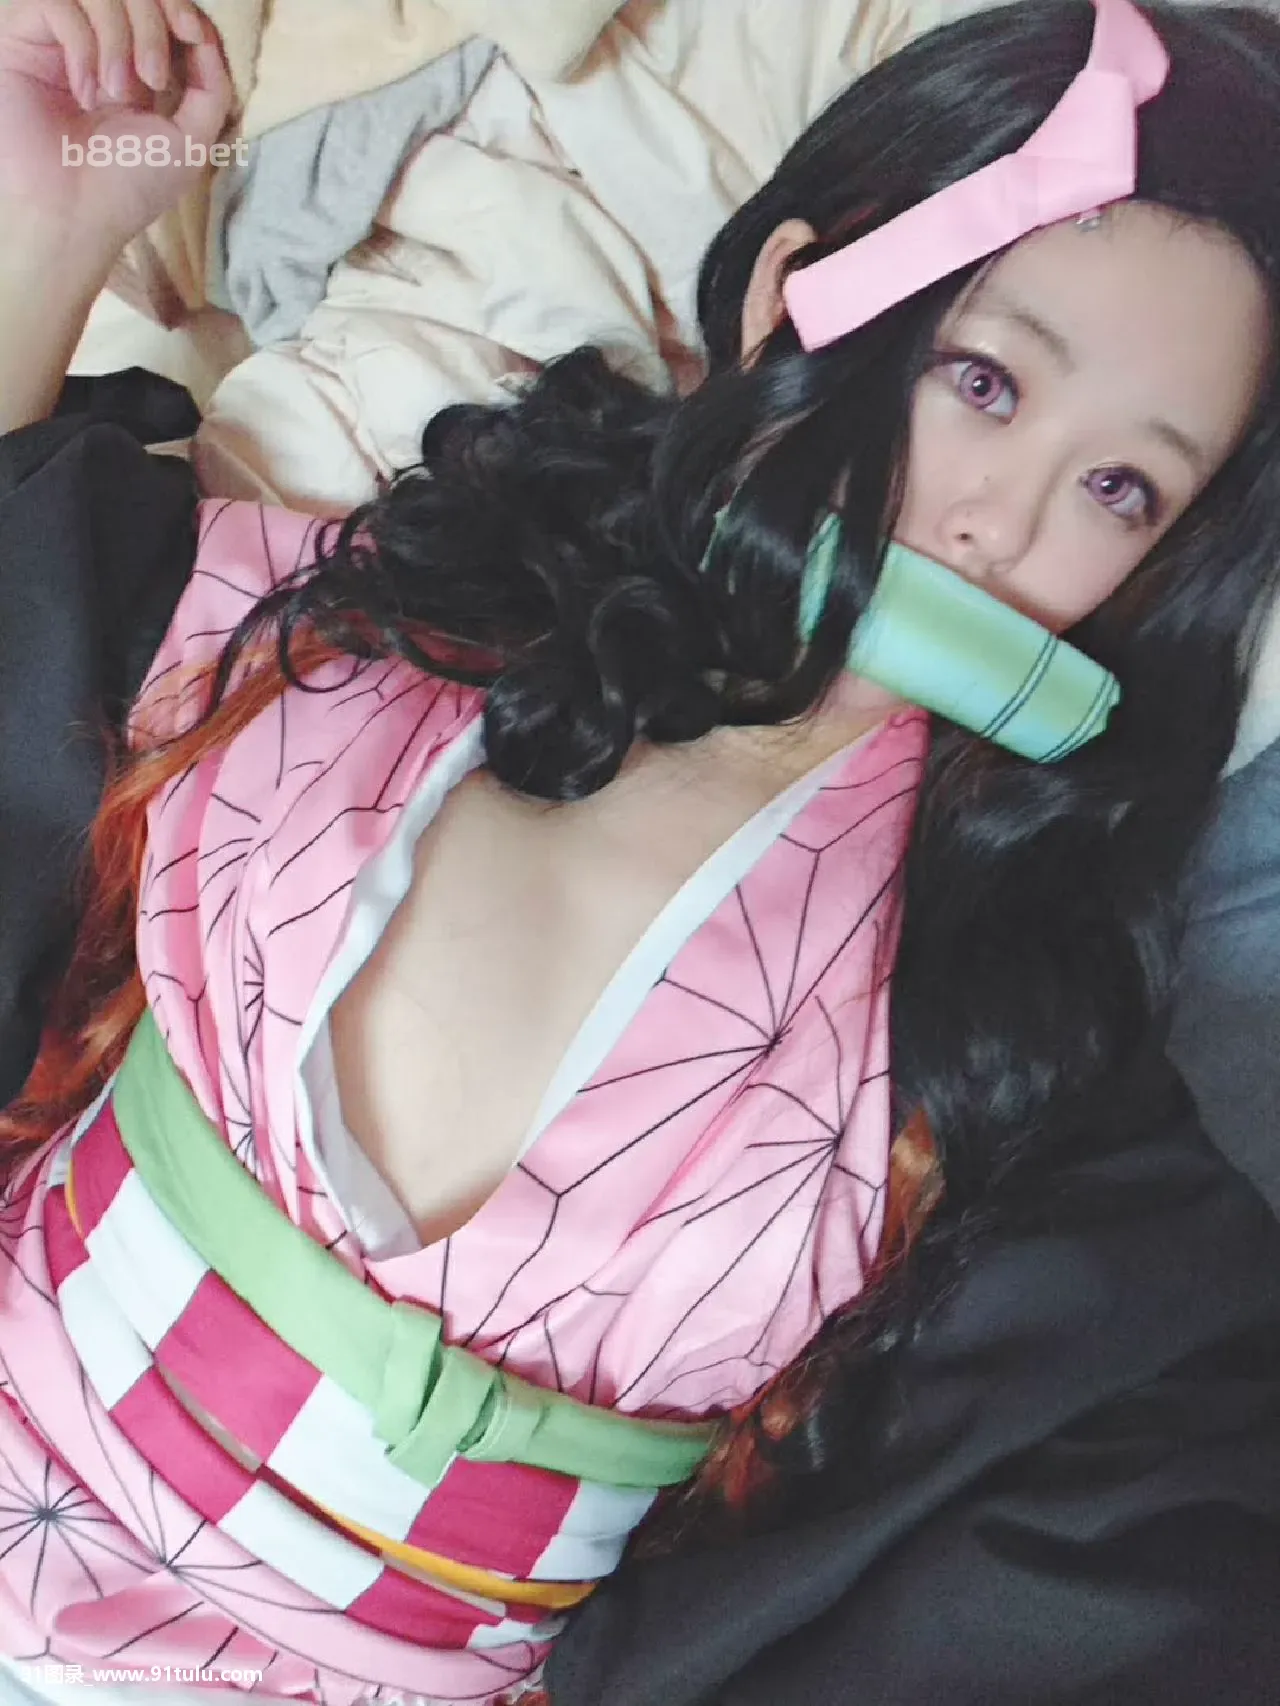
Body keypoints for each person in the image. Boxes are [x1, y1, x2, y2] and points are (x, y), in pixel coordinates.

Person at [0, 3, 1279, 1705]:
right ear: (796, 292)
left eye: (1122, 490)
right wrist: (53, 230)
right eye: (983, 383)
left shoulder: (1010, 1055)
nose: (1002, 523)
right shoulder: (381, 621)